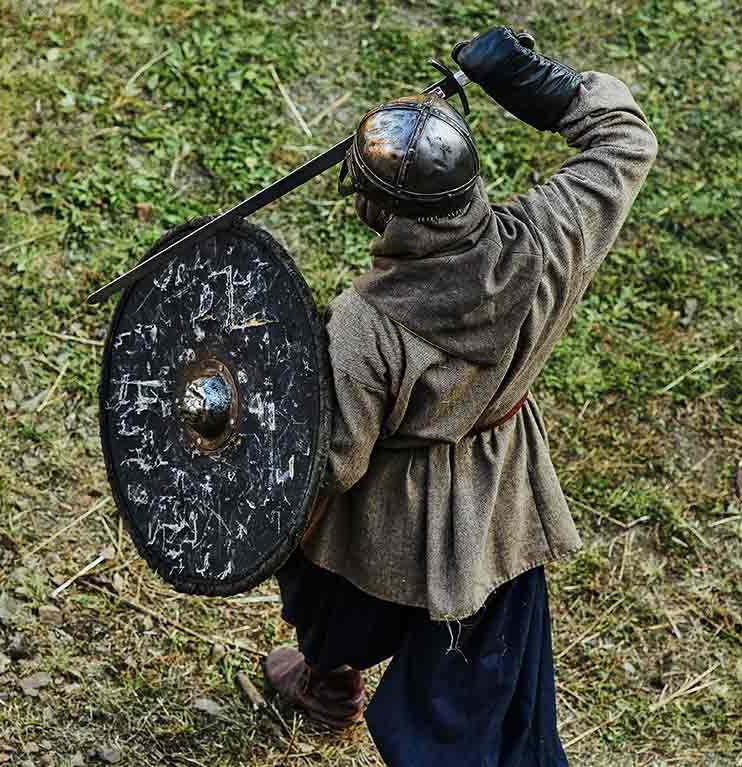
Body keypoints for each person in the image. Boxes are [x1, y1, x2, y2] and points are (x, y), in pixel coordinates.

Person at [263, 26, 658, 766]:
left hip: (391, 518)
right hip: (498, 499)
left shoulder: (367, 324)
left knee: (456, 733)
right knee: (441, 645)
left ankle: (331, 662)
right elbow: (624, 140)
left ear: (378, 209)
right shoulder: (549, 237)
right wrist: (539, 84)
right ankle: (328, 675)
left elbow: (333, 464)